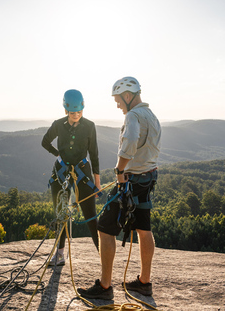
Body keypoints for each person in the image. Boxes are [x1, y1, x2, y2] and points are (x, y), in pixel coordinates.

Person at [78, 76, 161, 300]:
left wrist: (119, 170)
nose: (117, 104)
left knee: (105, 228)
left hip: (130, 181)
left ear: (127, 96)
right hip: (147, 179)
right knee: (144, 227)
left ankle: (105, 287)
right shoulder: (151, 116)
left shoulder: (134, 116)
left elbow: (130, 141)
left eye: (118, 100)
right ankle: (144, 282)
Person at [42, 89, 101, 266]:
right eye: (73, 112)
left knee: (90, 215)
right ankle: (60, 254)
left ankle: (103, 256)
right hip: (62, 172)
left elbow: (95, 154)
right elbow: (45, 141)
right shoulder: (58, 124)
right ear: (66, 109)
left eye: (79, 111)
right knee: (61, 214)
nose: (76, 115)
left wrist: (97, 183)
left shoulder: (89, 126)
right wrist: (58, 155)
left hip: (83, 172)